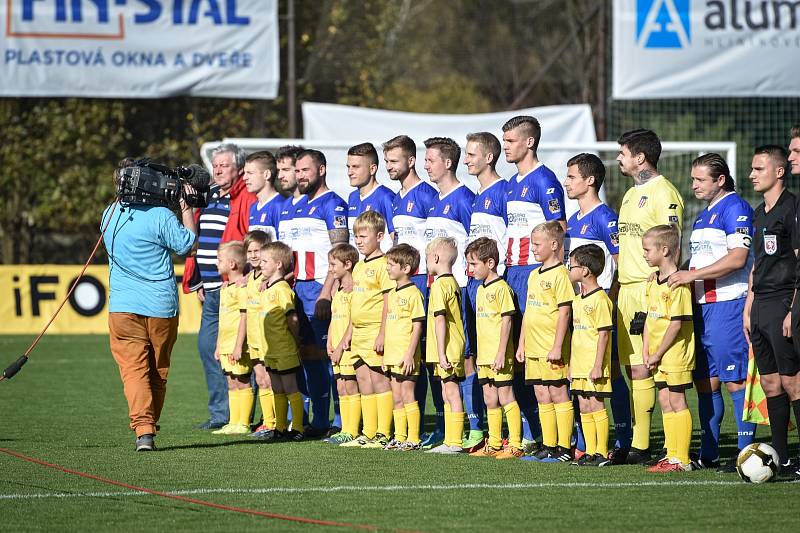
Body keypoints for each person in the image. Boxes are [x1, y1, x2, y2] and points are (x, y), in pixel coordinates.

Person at [666, 153, 756, 471]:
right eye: (693, 179)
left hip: (729, 305)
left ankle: (747, 453)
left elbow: (738, 258)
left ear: (720, 180)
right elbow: (701, 262)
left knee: (735, 382)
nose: (694, 186)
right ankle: (709, 452)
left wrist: (691, 276)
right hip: (702, 308)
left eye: (700, 179)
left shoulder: (736, 208)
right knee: (707, 382)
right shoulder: (705, 215)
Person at [103, 158, 197, 451]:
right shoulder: (161, 215)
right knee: (158, 370)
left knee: (134, 371)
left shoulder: (109, 213)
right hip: (160, 307)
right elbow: (188, 244)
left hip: (122, 306)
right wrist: (186, 208)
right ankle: (147, 427)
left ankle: (144, 430)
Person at [614, 129, 684, 464]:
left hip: (648, 289)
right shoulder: (629, 194)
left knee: (651, 368)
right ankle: (638, 444)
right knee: (634, 368)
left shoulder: (664, 192)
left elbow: (674, 241)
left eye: (623, 153)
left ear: (641, 157)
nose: (618, 159)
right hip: (626, 289)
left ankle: (650, 447)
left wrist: (661, 286)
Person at [502, 115, 566, 450]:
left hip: (534, 274)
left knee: (546, 360)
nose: (505, 147)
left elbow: (559, 229)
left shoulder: (545, 181)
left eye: (510, 141)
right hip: (512, 272)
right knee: (519, 358)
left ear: (529, 142)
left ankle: (568, 439)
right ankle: (534, 433)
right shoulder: (512, 182)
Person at [563, 153, 632, 459]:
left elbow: (621, 265)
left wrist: (609, 300)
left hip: (600, 306)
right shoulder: (574, 219)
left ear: (589, 181)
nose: (567, 182)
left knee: (610, 371)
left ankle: (623, 438)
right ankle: (587, 442)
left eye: (572, 177)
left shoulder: (606, 218)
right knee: (583, 376)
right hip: (580, 307)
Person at [185, 143, 256, 431]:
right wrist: (198, 277)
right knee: (207, 349)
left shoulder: (245, 196)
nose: (217, 169)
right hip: (210, 288)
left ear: (238, 168)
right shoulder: (209, 195)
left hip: (234, 287)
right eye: (215, 165)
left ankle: (244, 415)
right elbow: (193, 237)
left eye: (224, 165)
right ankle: (220, 414)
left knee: (241, 352)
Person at [744, 145, 800, 475]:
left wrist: (794, 309)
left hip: (783, 302)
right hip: (761, 304)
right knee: (770, 385)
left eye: (759, 169)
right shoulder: (758, 213)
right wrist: (749, 306)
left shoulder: (792, 208)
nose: (752, 175)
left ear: (778, 172)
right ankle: (782, 458)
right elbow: (757, 264)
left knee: (793, 383)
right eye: (751, 169)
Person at [384, 135, 443, 442]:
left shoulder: (427, 195)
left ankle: (441, 425)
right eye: (386, 162)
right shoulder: (397, 197)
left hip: (422, 282)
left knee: (426, 356)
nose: (388, 167)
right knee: (408, 364)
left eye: (394, 161)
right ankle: (413, 429)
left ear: (410, 161)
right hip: (405, 286)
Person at [291, 149, 349, 437]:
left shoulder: (334, 204)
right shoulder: (298, 206)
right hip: (297, 290)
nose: (300, 175)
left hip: (319, 288)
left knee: (328, 356)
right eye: (297, 170)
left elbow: (339, 253)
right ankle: (318, 420)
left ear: (322, 170)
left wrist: (327, 291)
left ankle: (339, 421)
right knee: (308, 356)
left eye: (306, 170)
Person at [423, 136, 476, 449]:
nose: (426, 165)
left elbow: (474, 245)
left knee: (463, 360)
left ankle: (475, 426)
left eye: (430, 160)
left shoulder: (464, 198)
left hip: (458, 291)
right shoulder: (433, 200)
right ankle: (449, 429)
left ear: (447, 163)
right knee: (444, 367)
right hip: (436, 289)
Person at [462, 131, 507, 449]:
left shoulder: (504, 191)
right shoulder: (476, 195)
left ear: (489, 157)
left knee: (507, 367)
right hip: (477, 289)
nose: (467, 159)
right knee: (478, 361)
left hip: (499, 287)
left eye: (472, 154)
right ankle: (488, 434)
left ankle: (525, 436)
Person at [517, 221, 574, 463]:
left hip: (552, 346)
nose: (533, 248)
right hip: (533, 347)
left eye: (537, 244)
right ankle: (549, 445)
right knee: (541, 394)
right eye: (532, 243)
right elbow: (529, 312)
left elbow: (564, 312)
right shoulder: (533, 274)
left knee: (558, 393)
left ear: (554, 244)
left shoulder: (561, 274)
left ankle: (564, 446)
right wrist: (521, 343)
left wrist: (558, 346)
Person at [641, 225, 695, 473]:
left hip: (674, 353)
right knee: (665, 400)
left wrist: (658, 353)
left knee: (677, 399)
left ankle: (681, 459)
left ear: (664, 250)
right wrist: (646, 349)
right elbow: (648, 319)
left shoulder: (678, 285)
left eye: (647, 249)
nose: (644, 254)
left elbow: (676, 324)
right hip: (656, 353)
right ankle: (671, 455)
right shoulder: (653, 281)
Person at [339, 211, 395, 448]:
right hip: (359, 332)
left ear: (380, 236)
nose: (359, 241)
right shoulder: (359, 266)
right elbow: (356, 304)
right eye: (356, 236)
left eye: (363, 236)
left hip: (374, 331)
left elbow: (387, 301)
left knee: (379, 380)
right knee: (363, 379)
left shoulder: (383, 265)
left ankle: (383, 432)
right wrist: (349, 332)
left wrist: (383, 333)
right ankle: (369, 432)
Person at [466, 237, 522, 459]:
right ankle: (495, 443)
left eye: (474, 264)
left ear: (490, 263)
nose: (470, 269)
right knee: (490, 398)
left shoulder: (501, 289)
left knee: (506, 395)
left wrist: (501, 353)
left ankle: (516, 444)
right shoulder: (480, 289)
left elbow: (507, 321)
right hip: (484, 356)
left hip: (499, 355)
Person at [567, 244, 614, 467]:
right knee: (584, 406)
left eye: (572, 265)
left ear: (585, 270)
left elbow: (604, 335)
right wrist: (570, 364)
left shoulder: (601, 300)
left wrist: (598, 365)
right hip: (578, 364)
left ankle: (602, 452)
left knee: (596, 404)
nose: (569, 269)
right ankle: (590, 450)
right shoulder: (578, 300)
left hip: (594, 365)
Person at [424, 237, 467, 454]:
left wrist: (441, 352)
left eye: (427, 258)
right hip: (448, 347)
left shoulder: (441, 285)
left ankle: (456, 441)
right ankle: (450, 440)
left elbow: (441, 320)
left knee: (451, 392)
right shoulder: (451, 282)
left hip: (448, 348)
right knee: (445, 392)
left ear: (436, 258)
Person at [259, 241, 305, 440]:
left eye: (264, 261)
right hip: (271, 350)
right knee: (277, 388)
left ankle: (298, 428)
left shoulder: (282, 289)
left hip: (284, 348)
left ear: (278, 264)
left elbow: (292, 318)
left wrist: (296, 341)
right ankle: (279, 428)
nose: (260, 265)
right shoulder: (268, 288)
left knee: (290, 387)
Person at [383, 244, 426, 451]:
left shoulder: (414, 294)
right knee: (397, 396)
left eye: (391, 264)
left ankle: (414, 438)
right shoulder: (391, 293)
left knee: (408, 394)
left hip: (405, 355)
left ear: (406, 268)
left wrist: (410, 354)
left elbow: (418, 325)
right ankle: (400, 436)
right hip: (392, 354)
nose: (387, 268)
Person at [211, 241, 253, 436]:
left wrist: (239, 346)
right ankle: (233, 421)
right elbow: (223, 320)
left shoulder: (242, 288)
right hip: (226, 344)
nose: (216, 264)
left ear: (232, 264)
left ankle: (243, 422)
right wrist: (219, 345)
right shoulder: (225, 287)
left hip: (237, 346)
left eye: (220, 260)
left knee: (241, 381)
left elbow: (244, 317)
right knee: (231, 382)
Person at [242, 230, 277, 439]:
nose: (253, 255)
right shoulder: (251, 278)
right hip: (254, 338)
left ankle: (275, 422)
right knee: (261, 379)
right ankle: (267, 422)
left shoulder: (268, 278)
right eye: (250, 251)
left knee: (271, 380)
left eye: (258, 251)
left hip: (267, 339)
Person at [324, 243, 360, 445]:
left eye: (332, 264)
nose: (330, 269)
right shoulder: (337, 291)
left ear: (347, 264)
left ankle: (353, 430)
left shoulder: (354, 290)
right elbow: (334, 319)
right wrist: (330, 340)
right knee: (341, 387)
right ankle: (345, 428)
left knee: (350, 386)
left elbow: (353, 321)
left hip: (347, 348)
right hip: (335, 347)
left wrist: (340, 346)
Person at [346, 142, 395, 252]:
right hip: (358, 268)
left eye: (355, 167)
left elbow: (396, 240)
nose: (349, 172)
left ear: (372, 169)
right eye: (348, 167)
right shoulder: (352, 197)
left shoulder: (386, 197)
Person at [244, 151, 282, 241]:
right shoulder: (253, 207)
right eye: (245, 173)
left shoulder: (281, 206)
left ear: (267, 175)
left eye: (250, 173)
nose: (244, 178)